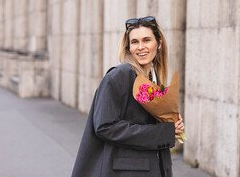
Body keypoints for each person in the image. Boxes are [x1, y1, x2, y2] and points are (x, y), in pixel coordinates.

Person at [72, 16, 185, 177]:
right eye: (134, 42)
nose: (140, 47)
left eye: (146, 40)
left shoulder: (153, 78)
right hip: (128, 171)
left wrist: (171, 123)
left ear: (158, 43)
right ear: (128, 47)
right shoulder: (120, 75)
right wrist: (163, 132)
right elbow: (105, 126)